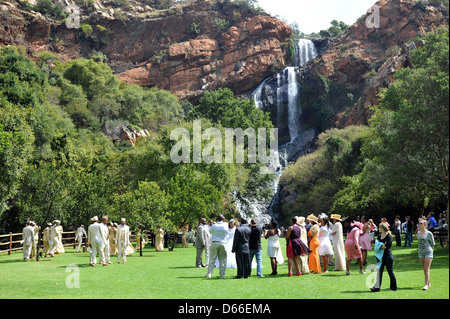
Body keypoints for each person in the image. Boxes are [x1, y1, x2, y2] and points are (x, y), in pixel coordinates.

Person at [371, 222, 397, 292]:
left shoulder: (389, 236)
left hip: (388, 256)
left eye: (379, 227)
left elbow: (386, 246)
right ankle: (376, 288)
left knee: (390, 271)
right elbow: (376, 245)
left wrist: (381, 245)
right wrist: (381, 245)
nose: (378, 229)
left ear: (382, 228)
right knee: (379, 272)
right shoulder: (379, 236)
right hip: (380, 257)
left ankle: (393, 287)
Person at [417, 218, 435, 290]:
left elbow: (433, 243)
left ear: (425, 224)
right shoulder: (418, 233)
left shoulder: (429, 233)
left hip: (428, 252)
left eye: (421, 223)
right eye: (419, 223)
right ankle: (428, 282)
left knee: (426, 268)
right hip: (421, 252)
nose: (419, 225)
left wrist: (431, 251)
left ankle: (426, 285)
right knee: (424, 269)